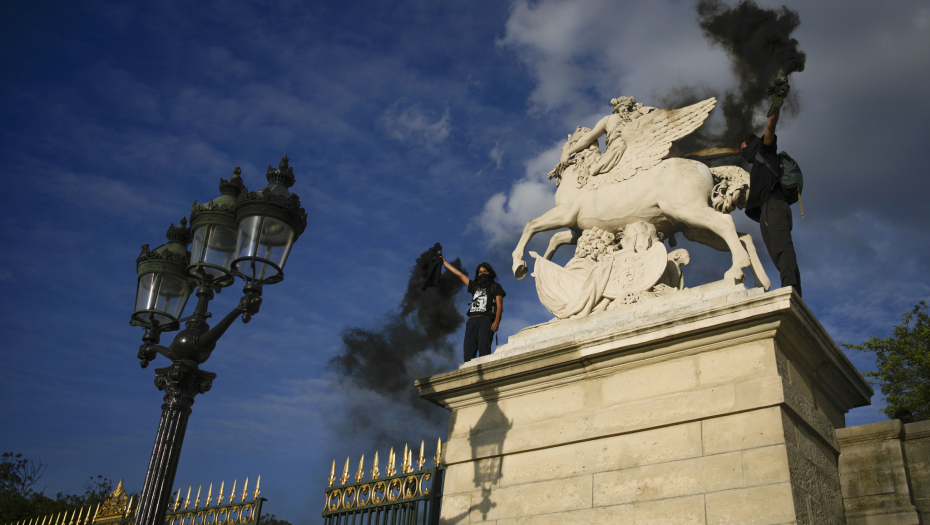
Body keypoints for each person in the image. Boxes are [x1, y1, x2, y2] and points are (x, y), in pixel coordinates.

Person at [741, 84, 802, 297]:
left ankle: (792, 290)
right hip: (770, 209)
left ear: (750, 146)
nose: (742, 153)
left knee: (782, 249)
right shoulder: (759, 163)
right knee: (778, 251)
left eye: (743, 149)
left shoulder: (765, 151)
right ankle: (792, 287)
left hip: (774, 206)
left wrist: (777, 102)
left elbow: (770, 128)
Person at [441, 258, 505, 362]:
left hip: (486, 319)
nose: (482, 274)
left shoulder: (495, 286)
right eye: (480, 272)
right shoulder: (475, 286)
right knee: (469, 349)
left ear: (490, 273)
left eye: (485, 271)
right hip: (472, 320)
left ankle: (486, 374)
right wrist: (444, 262)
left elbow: (499, 305)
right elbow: (460, 274)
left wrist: (497, 321)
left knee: (484, 349)